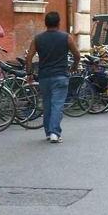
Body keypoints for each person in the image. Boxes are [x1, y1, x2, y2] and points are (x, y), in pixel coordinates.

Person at [25, 11, 80, 143]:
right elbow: (77, 54)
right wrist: (74, 66)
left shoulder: (38, 39)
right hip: (60, 75)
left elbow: (29, 57)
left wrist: (29, 73)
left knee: (47, 104)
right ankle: (55, 132)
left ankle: (49, 132)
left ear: (46, 23)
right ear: (59, 23)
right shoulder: (66, 37)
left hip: (44, 76)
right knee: (57, 105)